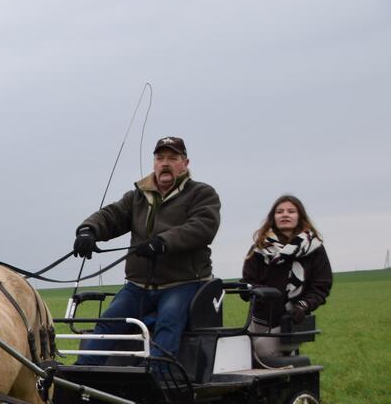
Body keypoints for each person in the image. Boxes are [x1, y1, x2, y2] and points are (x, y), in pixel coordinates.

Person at [72, 136, 221, 367]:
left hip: (182, 283)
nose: (165, 163)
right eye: (160, 158)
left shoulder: (201, 194)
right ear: (154, 163)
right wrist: (88, 230)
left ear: (185, 163)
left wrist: (163, 242)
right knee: (108, 322)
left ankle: (158, 384)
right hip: (137, 285)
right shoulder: (138, 196)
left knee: (168, 323)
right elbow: (112, 216)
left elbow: (202, 227)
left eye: (172, 158)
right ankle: (80, 378)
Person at [241, 194, 332, 360]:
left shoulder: (314, 249)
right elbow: (247, 282)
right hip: (259, 320)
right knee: (242, 355)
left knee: (263, 351)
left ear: (300, 216)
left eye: (291, 211)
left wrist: (303, 306)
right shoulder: (259, 248)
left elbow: (321, 286)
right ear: (273, 217)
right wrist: (256, 291)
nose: (285, 215)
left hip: (293, 320)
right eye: (279, 211)